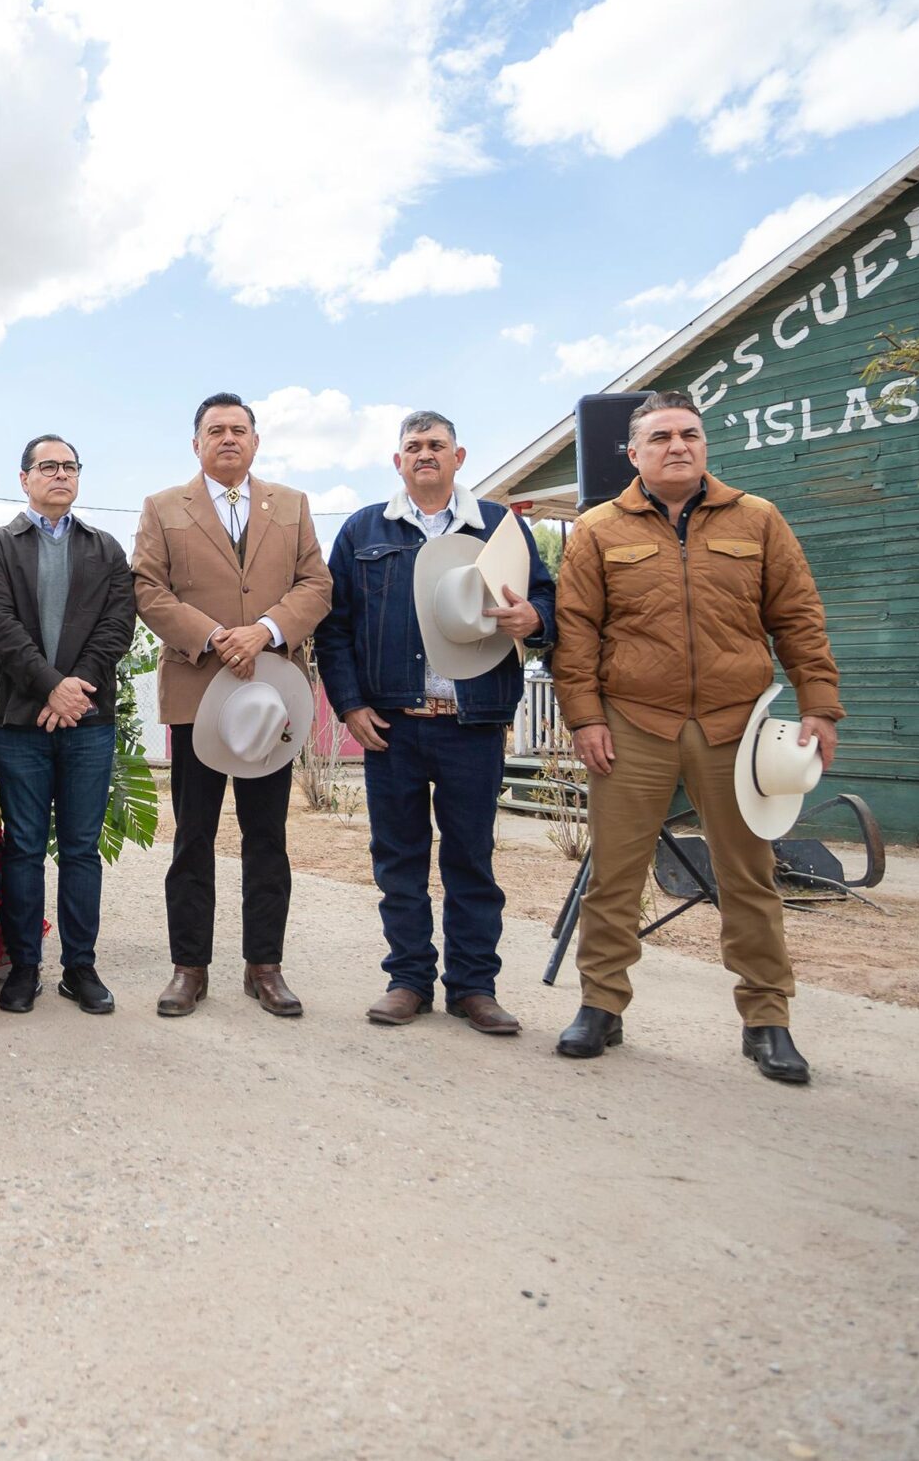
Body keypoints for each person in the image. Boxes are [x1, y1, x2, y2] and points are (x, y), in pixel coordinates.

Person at [551, 390, 842, 1084]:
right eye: (660, 437)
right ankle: (601, 1004)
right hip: (631, 723)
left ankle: (767, 1020)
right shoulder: (596, 529)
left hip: (734, 725)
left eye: (689, 434)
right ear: (634, 453)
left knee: (749, 877)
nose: (677, 445)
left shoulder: (759, 519)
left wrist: (820, 706)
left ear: (705, 445)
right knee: (614, 876)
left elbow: (799, 616)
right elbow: (577, 634)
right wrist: (585, 716)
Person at [314, 410, 553, 1036]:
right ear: (397, 462)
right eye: (413, 447)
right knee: (398, 858)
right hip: (390, 724)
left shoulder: (501, 528)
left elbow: (547, 597)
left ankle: (474, 987)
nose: (425, 455)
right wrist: (349, 706)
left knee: (472, 859)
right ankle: (409, 980)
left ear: (459, 456)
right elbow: (334, 628)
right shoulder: (363, 530)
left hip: (471, 723)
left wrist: (536, 620)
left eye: (436, 446)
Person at [130, 393, 334, 1017]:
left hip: (274, 695)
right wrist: (216, 634)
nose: (227, 439)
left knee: (266, 837)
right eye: (215, 430)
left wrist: (266, 631)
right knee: (193, 837)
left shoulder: (292, 506)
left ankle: (264, 967)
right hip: (199, 693)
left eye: (238, 430)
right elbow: (146, 587)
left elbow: (316, 584)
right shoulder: (164, 508)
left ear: (255, 441)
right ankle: (189, 967)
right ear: (196, 443)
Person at [0, 433, 136, 1015]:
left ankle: (80, 968)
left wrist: (73, 690)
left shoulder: (106, 548)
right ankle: (24, 968)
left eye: (69, 467)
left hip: (88, 721)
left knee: (82, 848)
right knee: (21, 848)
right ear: (24, 479)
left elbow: (118, 626)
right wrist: (49, 686)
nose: (59, 475)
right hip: (19, 722)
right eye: (47, 467)